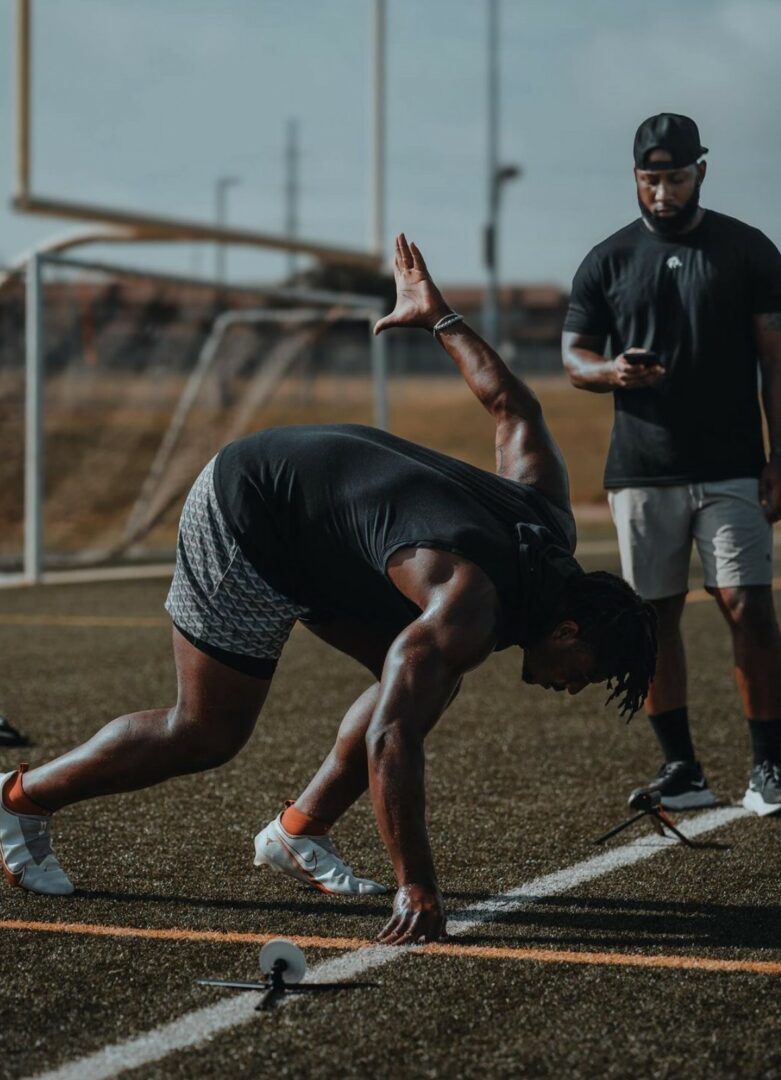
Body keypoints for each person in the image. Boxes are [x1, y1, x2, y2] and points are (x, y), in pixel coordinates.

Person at [0, 235, 656, 945]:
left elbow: (514, 408)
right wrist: (416, 883)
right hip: (250, 513)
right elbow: (391, 735)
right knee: (206, 732)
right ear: (567, 630)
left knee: (427, 683)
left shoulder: (548, 522)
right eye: (583, 674)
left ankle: (299, 830)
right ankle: (20, 801)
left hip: (325, 534)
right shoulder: (468, 603)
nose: (571, 688)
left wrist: (440, 318)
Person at [562, 113, 781, 817]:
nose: (662, 192)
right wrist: (611, 372)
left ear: (700, 173)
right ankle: (682, 770)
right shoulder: (607, 259)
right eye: (650, 179)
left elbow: (776, 363)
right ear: (635, 177)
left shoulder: (747, 249)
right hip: (641, 470)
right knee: (651, 620)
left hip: (733, 465)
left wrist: (779, 457)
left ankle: (770, 767)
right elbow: (574, 358)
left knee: (748, 604)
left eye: (676, 178)